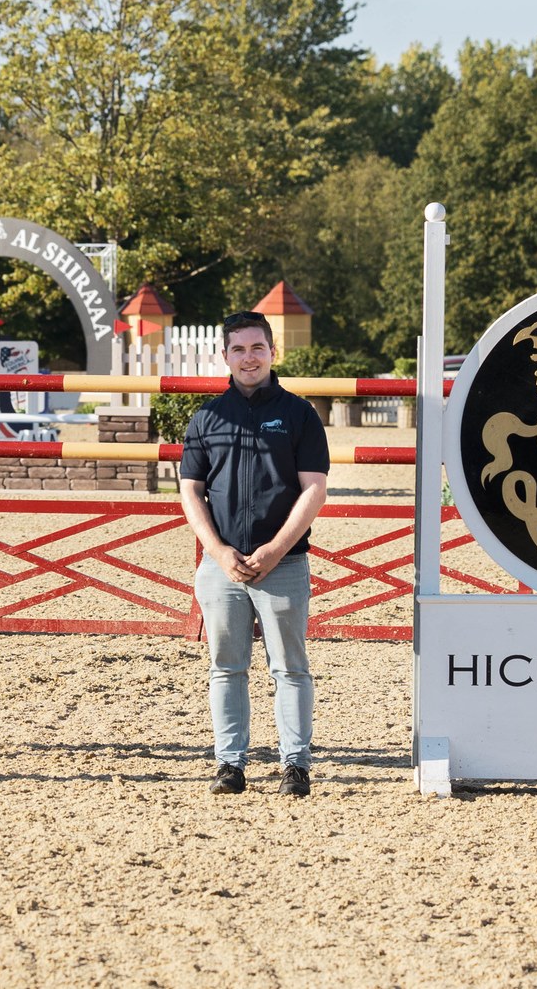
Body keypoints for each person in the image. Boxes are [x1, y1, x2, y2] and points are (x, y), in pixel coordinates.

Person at [179, 309, 329, 796]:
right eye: (239, 349)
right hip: (220, 568)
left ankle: (296, 765)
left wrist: (273, 549)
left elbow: (315, 490)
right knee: (226, 667)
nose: (249, 358)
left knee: (289, 667)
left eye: (257, 348)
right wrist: (218, 552)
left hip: (283, 564)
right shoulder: (206, 418)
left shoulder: (300, 414)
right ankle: (230, 765)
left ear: (272, 352)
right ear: (225, 356)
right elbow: (190, 491)